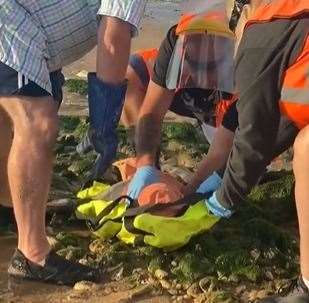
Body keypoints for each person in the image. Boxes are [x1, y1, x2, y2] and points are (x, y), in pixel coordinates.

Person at [0, 0, 146, 285]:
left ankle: (7, 208)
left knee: (9, 112)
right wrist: (103, 125)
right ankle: (32, 254)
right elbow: (113, 35)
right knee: (38, 124)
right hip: (10, 24)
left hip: (25, 26)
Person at [194, 0, 309, 301]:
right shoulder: (296, 29)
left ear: (244, 13)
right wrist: (217, 181)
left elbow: (253, 142)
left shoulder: (261, 35)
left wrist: (222, 201)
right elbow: (276, 131)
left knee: (307, 150)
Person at [126, 3, 298, 200]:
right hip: (194, 96)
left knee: (237, 161)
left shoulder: (253, 53)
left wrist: (201, 187)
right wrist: (145, 165)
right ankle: (147, 170)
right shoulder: (176, 43)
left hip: (231, 104)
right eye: (194, 49)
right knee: (131, 73)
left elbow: (233, 141)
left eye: (208, 60)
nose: (202, 55)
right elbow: (152, 112)